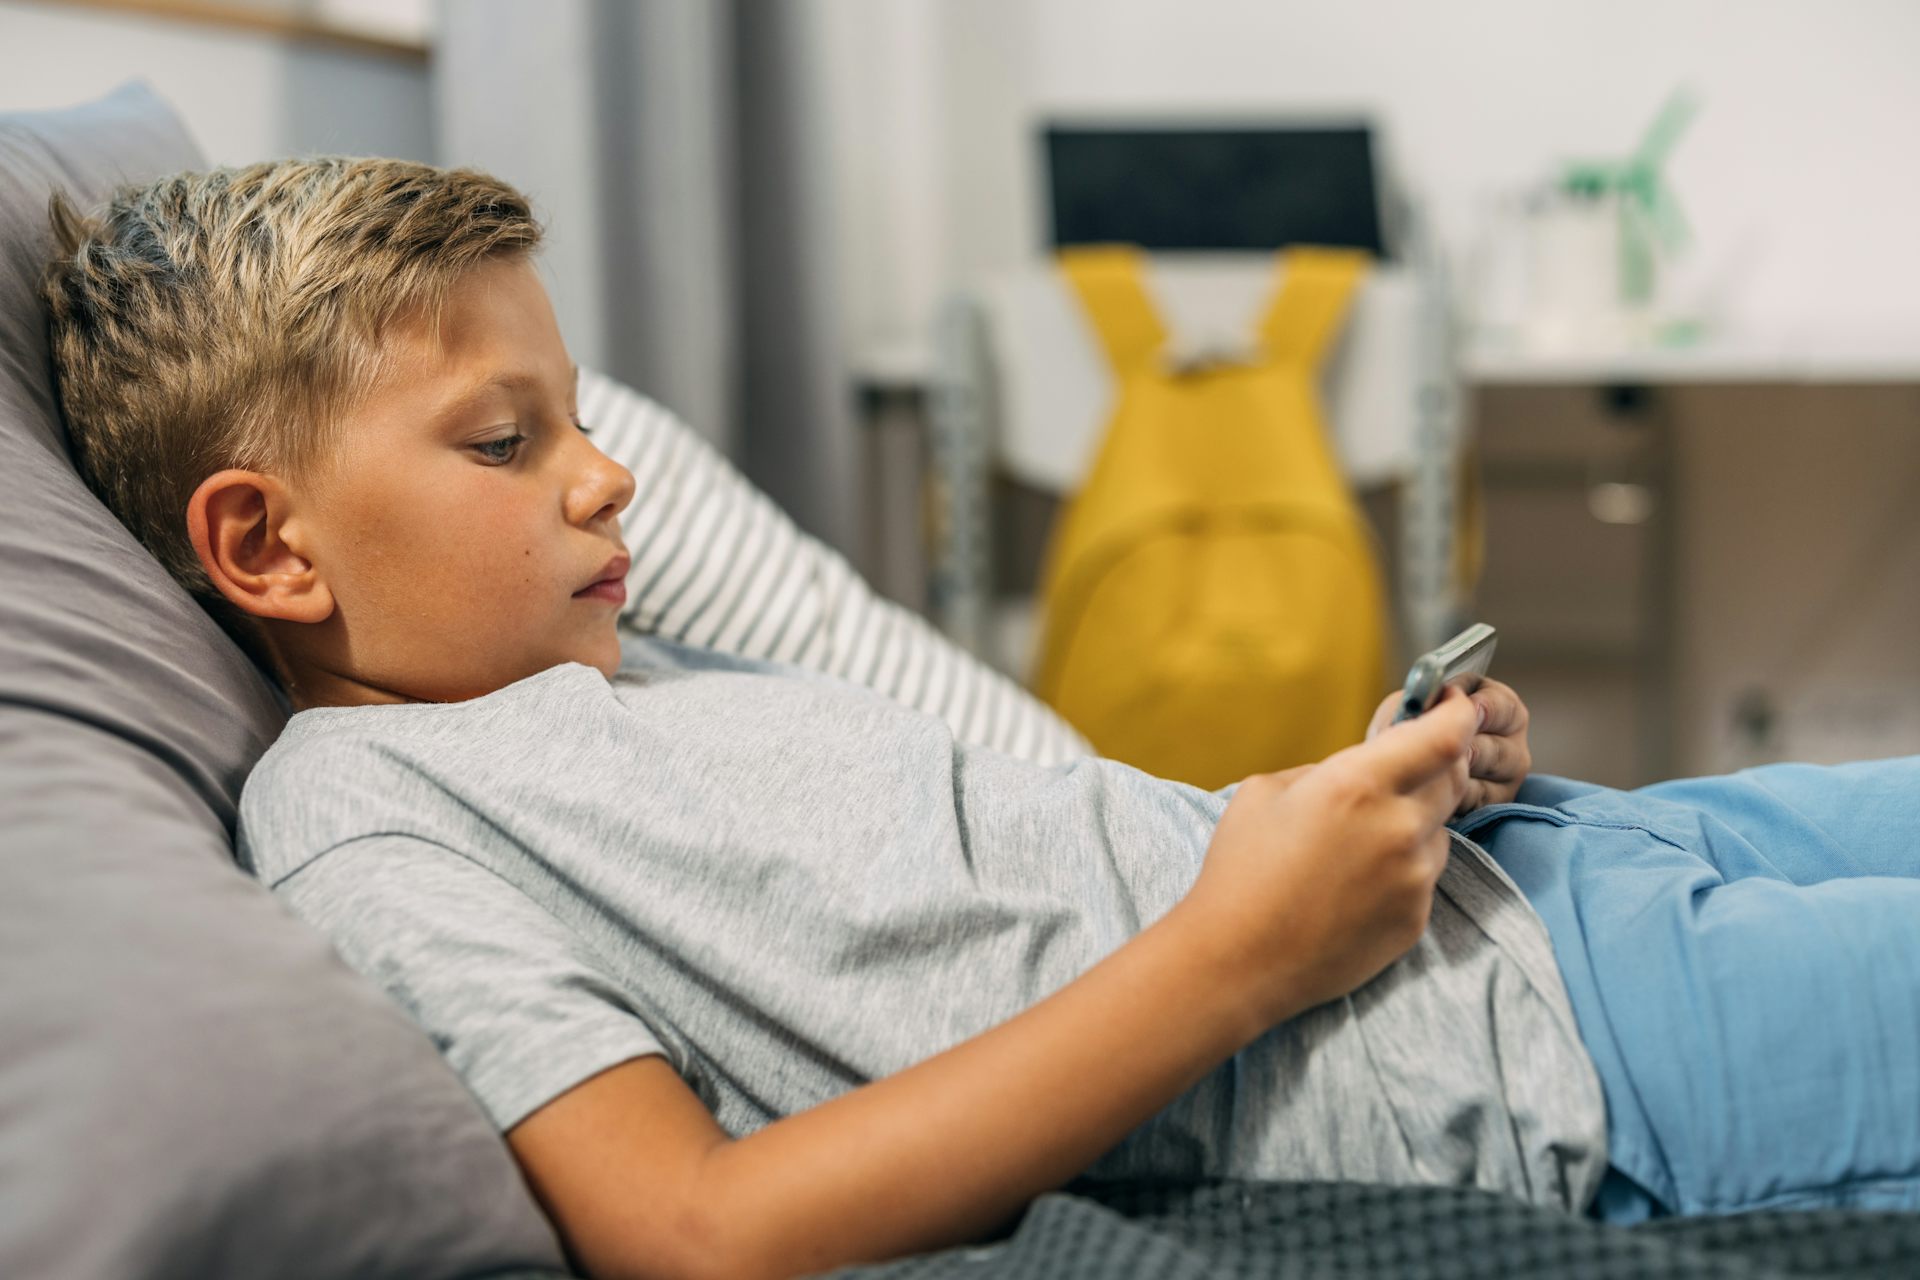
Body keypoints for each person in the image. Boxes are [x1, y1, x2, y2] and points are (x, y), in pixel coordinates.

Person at [40, 157, 1918, 1280]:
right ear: (264, 547)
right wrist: (1242, 953)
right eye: (508, 440)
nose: (609, 481)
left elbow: (1049, 877)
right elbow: (693, 1233)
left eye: (578, 417)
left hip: (1571, 869)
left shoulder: (607, 673)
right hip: (1548, 1060)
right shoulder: (372, 825)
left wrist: (1359, 793)